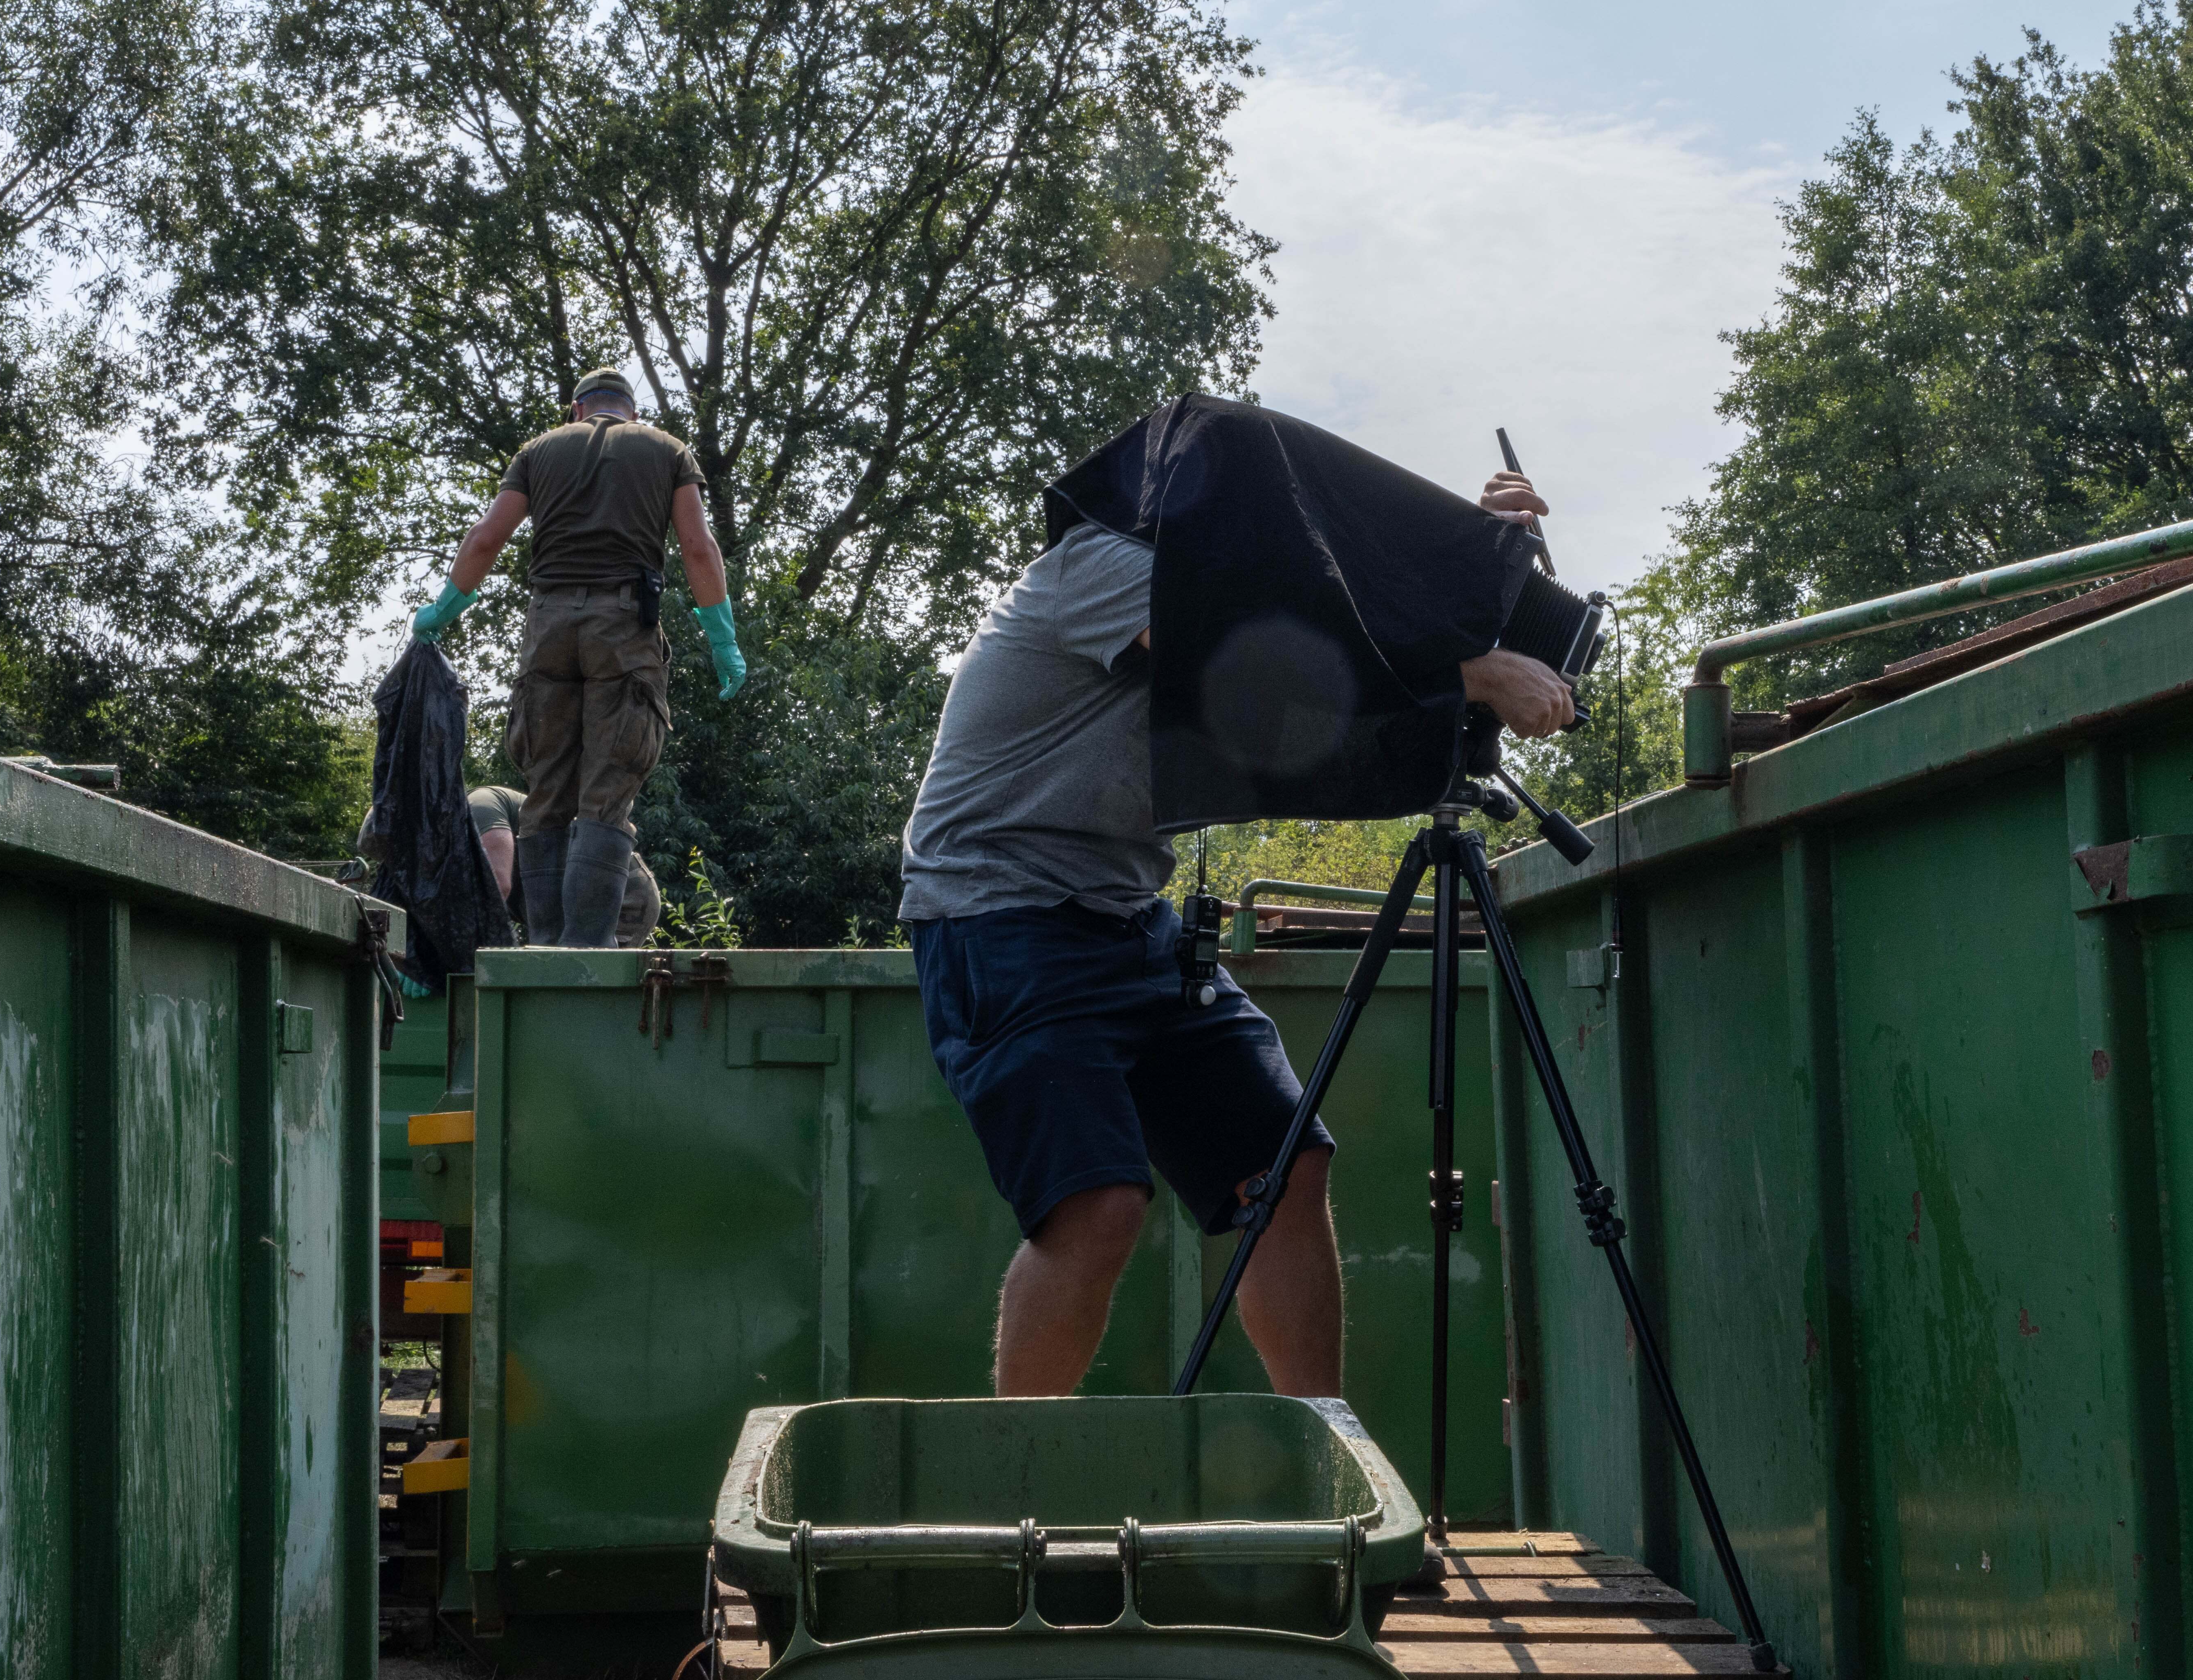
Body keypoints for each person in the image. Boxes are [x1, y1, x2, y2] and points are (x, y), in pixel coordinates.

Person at [900, 463, 1567, 1398]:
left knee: (1284, 1169)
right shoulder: (1099, 563)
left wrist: (1460, 557)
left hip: (1131, 919)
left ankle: (1328, 1477)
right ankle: (1028, 1512)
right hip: (1000, 913)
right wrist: (1466, 666)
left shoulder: (1228, 580)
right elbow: (1244, 654)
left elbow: (1322, 610)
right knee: (1096, 1209)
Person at [412, 369, 747, 946]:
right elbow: (698, 546)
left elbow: (488, 536)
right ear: (632, 413)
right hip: (623, 632)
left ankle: (544, 945)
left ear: (577, 410)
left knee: (545, 793)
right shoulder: (667, 450)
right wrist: (723, 639)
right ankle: (586, 950)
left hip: (548, 628)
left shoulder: (538, 452)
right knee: (606, 792)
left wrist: (443, 610)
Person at [465, 783, 662, 946]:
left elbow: (498, 887)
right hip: (569, 905)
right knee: (556, 977)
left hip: (617, 893)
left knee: (585, 981)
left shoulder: (478, 804)